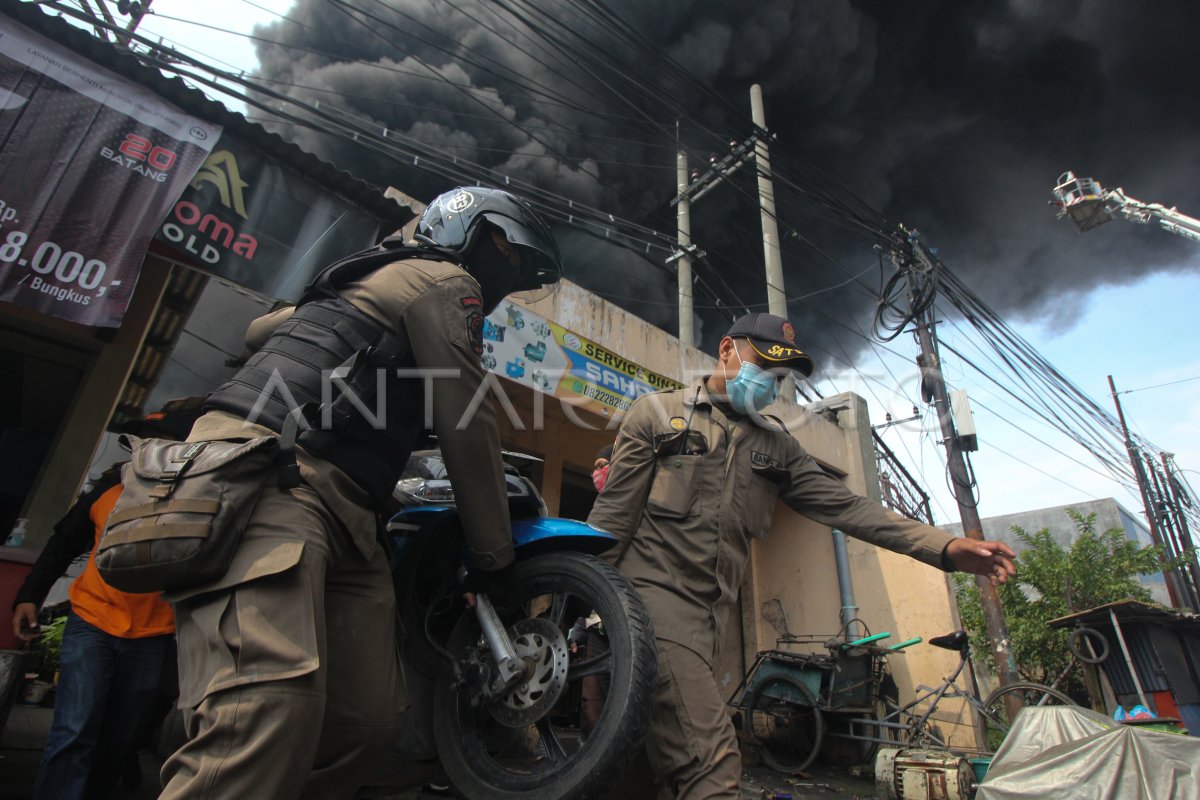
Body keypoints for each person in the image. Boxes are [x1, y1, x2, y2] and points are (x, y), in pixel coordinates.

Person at [158, 186, 562, 799]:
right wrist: (494, 555)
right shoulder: (442, 281)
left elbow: (258, 332)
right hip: (275, 478)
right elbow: (468, 420)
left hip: (354, 512)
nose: (510, 266)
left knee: (366, 724)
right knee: (265, 713)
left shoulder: (370, 286)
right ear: (463, 229)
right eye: (504, 246)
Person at [588, 312, 1017, 800]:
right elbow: (611, 524)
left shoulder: (777, 448)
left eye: (779, 375)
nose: (770, 382)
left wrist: (944, 545)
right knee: (711, 764)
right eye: (763, 365)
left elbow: (848, 507)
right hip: (648, 609)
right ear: (727, 349)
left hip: (709, 628)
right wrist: (586, 613)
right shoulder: (657, 415)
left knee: (638, 770)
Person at [10, 399, 202, 800]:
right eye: (143, 439)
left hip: (153, 637)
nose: (146, 447)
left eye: (160, 440)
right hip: (91, 622)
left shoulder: (197, 499)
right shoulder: (110, 489)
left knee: (117, 742)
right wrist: (29, 596)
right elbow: (63, 543)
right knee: (73, 731)